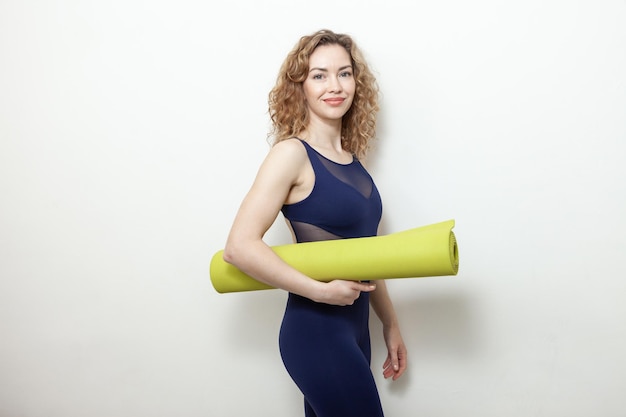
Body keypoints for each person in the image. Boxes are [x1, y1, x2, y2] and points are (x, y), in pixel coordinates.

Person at [222, 29, 407, 417]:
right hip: (316, 331)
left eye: (344, 73)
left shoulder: (355, 164)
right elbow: (239, 247)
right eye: (319, 75)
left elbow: (368, 254)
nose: (334, 86)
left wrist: (389, 322)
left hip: (356, 332)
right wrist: (318, 291)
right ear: (300, 87)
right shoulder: (291, 154)